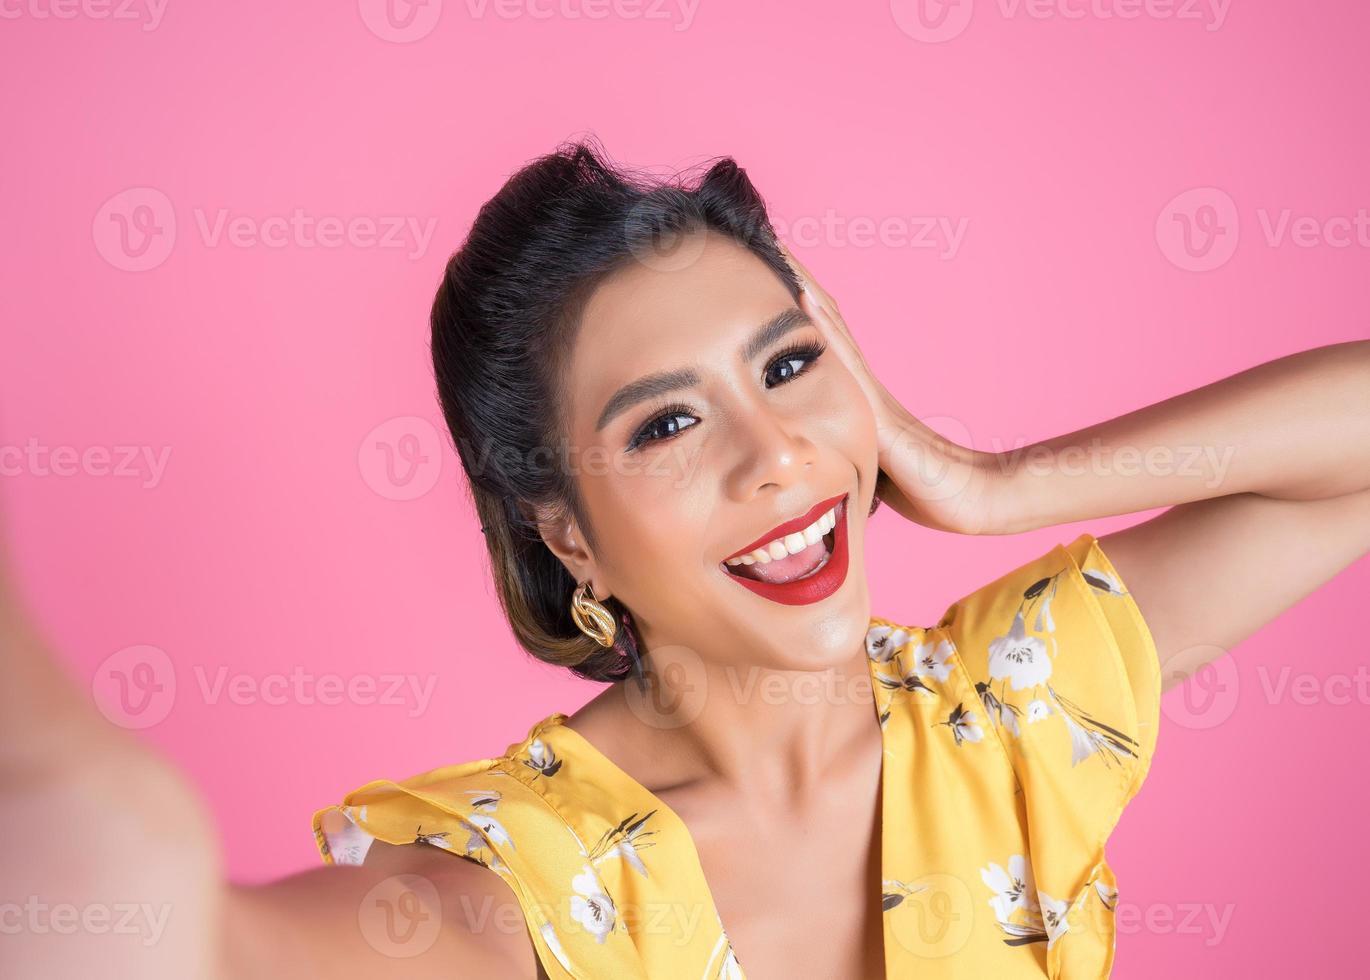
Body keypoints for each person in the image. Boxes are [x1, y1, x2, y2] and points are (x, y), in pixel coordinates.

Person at [3, 139, 1368, 979]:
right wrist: (119, 867)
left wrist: (987, 482)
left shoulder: (1003, 715)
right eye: (665, 421)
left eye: (787, 367)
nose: (775, 454)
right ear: (567, 536)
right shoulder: (529, 878)